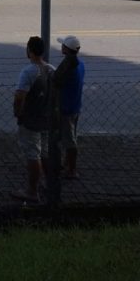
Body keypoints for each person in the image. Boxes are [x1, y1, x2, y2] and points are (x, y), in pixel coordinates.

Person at [12, 36, 54, 203]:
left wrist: (18, 113)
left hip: (31, 120)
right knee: (45, 152)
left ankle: (32, 190)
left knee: (32, 154)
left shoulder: (28, 72)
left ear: (29, 51)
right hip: (47, 118)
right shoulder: (51, 69)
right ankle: (49, 183)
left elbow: (20, 96)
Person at [54, 35, 85, 180]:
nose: (61, 47)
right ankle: (66, 164)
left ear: (66, 49)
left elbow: (57, 82)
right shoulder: (80, 64)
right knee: (69, 137)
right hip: (75, 106)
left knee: (70, 141)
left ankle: (71, 170)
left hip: (66, 108)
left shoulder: (68, 67)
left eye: (63, 46)